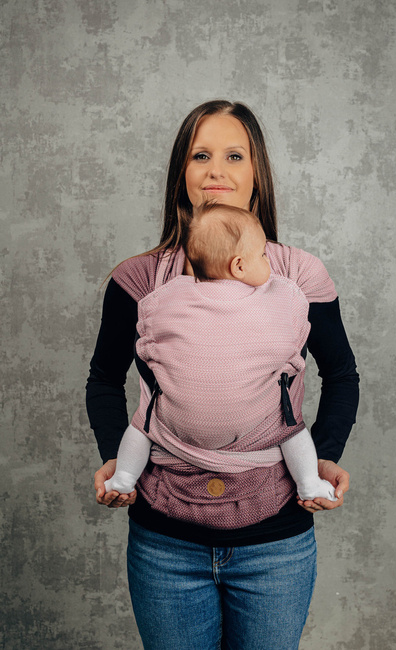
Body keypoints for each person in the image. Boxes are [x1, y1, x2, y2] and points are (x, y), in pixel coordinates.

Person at [86, 100, 359, 649]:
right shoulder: (138, 278)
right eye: (200, 155)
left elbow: (342, 373)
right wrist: (115, 458)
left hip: (276, 544)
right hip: (165, 543)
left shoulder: (298, 275)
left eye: (234, 155)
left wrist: (325, 453)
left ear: (255, 173)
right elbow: (102, 377)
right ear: (180, 175)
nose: (216, 170)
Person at [104, 201, 337, 506]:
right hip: (260, 430)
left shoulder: (165, 297)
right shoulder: (279, 298)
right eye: (263, 255)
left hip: (172, 427)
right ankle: (309, 485)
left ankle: (122, 479)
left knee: (143, 426)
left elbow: (147, 343)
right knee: (290, 429)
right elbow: (291, 353)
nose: (268, 263)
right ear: (239, 265)